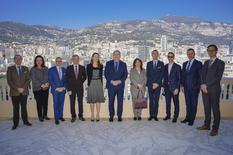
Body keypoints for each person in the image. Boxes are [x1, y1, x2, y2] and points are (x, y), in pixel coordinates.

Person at [197, 44, 225, 136]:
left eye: (212, 50)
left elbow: (218, 77)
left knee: (215, 109)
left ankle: (215, 129)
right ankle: (206, 125)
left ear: (216, 51)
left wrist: (206, 85)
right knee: (207, 108)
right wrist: (202, 84)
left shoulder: (221, 63)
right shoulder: (205, 62)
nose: (210, 52)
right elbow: (202, 75)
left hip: (214, 90)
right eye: (209, 50)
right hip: (204, 90)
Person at [7, 54, 32, 130]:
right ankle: (15, 123)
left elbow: (28, 79)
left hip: (24, 92)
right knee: (16, 108)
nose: (18, 60)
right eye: (17, 59)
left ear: (22, 60)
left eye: (20, 59)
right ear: (14, 60)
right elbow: (9, 81)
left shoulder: (26, 68)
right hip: (14, 92)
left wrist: (23, 87)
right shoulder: (10, 69)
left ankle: (25, 121)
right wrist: (17, 88)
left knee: (24, 108)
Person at [104, 50, 128, 122]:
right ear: (112, 55)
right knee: (111, 101)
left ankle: (119, 116)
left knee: (120, 102)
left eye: (118, 54)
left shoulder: (124, 64)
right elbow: (106, 74)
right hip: (111, 86)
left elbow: (125, 75)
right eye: (115, 54)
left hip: (120, 86)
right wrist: (111, 81)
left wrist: (119, 81)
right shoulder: (108, 63)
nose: (116, 56)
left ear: (120, 56)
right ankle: (111, 116)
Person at [180, 48, 202, 126]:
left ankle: (192, 119)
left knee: (193, 104)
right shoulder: (185, 63)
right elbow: (182, 75)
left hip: (194, 88)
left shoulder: (198, 63)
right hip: (186, 88)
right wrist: (181, 85)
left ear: (194, 54)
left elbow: (200, 77)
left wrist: (198, 87)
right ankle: (187, 117)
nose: (189, 55)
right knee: (188, 103)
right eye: (188, 53)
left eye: (191, 53)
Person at [66, 55, 86, 122]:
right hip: (71, 88)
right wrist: (68, 89)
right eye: (74, 59)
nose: (76, 60)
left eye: (77, 59)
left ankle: (80, 115)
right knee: (72, 102)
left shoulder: (82, 67)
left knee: (80, 102)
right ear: (72, 60)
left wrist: (80, 82)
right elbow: (67, 79)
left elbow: (85, 77)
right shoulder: (69, 68)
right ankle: (73, 116)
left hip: (80, 88)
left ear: (79, 59)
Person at [163, 52, 181, 123]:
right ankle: (168, 115)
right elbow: (164, 78)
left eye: (171, 56)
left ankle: (175, 116)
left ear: (173, 57)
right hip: (167, 88)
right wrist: (163, 87)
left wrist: (177, 88)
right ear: (167, 57)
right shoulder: (165, 66)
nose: (170, 58)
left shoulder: (177, 66)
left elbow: (179, 78)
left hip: (174, 88)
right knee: (168, 102)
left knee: (176, 103)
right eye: (169, 56)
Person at [30, 55, 50, 122]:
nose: (39, 61)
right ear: (35, 61)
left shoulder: (46, 68)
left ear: (42, 61)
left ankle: (45, 115)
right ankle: (40, 116)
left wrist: (48, 83)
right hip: (37, 89)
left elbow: (49, 77)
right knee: (39, 103)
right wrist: (41, 85)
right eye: (37, 60)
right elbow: (33, 79)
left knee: (45, 103)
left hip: (45, 89)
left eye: (40, 60)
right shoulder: (33, 69)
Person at [146, 50, 164, 121]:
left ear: (158, 55)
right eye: (153, 54)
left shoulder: (161, 63)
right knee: (151, 101)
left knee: (156, 101)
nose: (155, 55)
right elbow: (148, 74)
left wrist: (157, 83)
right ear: (151, 55)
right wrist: (152, 84)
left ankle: (155, 115)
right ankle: (151, 115)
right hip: (150, 85)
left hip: (158, 86)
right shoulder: (149, 63)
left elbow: (162, 75)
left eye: (156, 54)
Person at [86, 53, 105, 121]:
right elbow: (87, 76)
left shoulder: (101, 66)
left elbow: (101, 76)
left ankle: (98, 114)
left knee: (98, 100)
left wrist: (101, 84)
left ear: (98, 58)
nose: (96, 58)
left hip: (99, 83)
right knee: (92, 100)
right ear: (92, 57)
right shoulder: (88, 66)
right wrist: (87, 85)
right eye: (94, 56)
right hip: (91, 83)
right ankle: (92, 114)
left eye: (97, 57)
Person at [48, 57, 66, 125]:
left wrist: (64, 87)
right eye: (57, 61)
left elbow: (66, 80)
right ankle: (56, 118)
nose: (59, 62)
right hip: (55, 90)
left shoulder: (64, 70)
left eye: (60, 61)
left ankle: (60, 116)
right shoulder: (51, 70)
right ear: (55, 62)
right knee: (56, 104)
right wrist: (56, 88)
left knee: (61, 103)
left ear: (61, 62)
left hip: (62, 90)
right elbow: (50, 80)